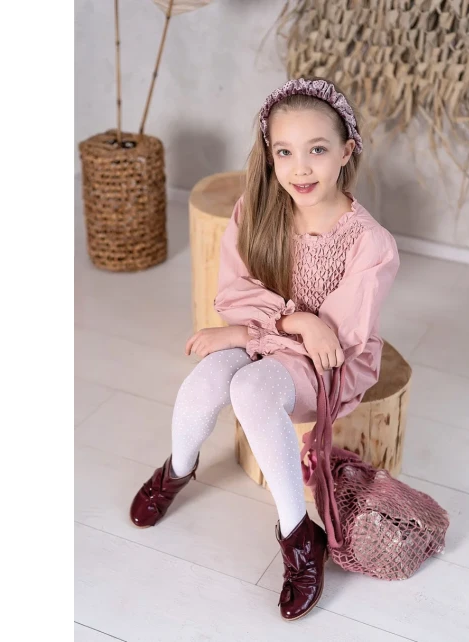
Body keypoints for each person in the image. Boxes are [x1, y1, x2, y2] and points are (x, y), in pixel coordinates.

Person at [129, 77, 400, 621]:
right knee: (208, 379)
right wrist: (290, 320)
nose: (300, 169)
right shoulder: (257, 211)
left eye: (317, 150)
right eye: (285, 152)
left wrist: (246, 334)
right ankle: (177, 469)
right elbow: (237, 294)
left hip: (328, 366)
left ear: (346, 152)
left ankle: (300, 537)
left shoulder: (369, 242)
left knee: (252, 388)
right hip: (268, 335)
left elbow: (333, 342)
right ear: (270, 155)